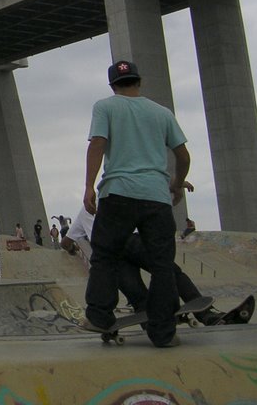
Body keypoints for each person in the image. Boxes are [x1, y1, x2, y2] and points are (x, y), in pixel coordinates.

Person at [82, 60, 191, 348]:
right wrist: (177, 184)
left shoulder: (105, 106)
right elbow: (183, 156)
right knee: (162, 265)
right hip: (156, 197)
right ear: (139, 82)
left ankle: (99, 316)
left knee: (105, 256)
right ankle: (163, 333)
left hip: (117, 193)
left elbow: (97, 144)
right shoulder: (161, 112)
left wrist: (89, 186)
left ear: (112, 85)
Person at [62, 202, 226, 325]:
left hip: (111, 253)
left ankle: (152, 328)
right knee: (170, 272)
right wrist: (175, 184)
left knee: (137, 296)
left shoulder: (84, 211)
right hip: (133, 242)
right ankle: (206, 315)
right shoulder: (117, 197)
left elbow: (65, 242)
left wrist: (72, 249)